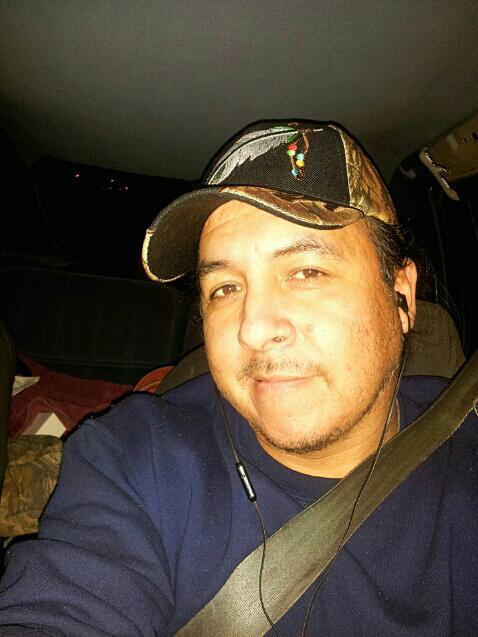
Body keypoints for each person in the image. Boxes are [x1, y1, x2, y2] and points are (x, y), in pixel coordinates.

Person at [0, 120, 476, 636]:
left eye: (306, 272)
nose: (253, 328)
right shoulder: (134, 458)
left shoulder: (468, 449)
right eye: (225, 288)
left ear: (401, 296)